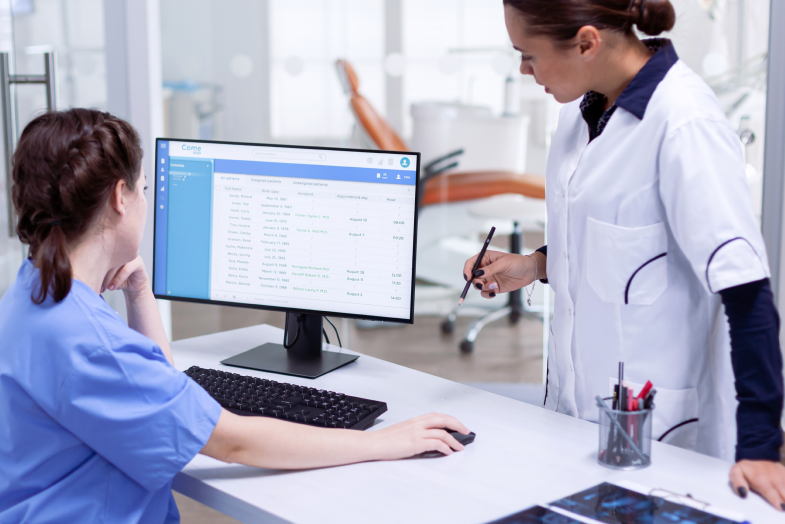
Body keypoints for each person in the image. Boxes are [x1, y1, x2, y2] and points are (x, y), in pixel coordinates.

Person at [0, 108, 469, 523]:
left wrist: (139, 293)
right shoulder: (95, 345)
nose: (145, 201)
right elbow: (232, 442)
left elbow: (157, 388)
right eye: (143, 190)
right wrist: (383, 442)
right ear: (120, 198)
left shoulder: (30, 296)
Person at [465, 0, 785, 511]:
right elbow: (619, 238)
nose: (524, 71)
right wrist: (535, 266)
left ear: (587, 43)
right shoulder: (581, 109)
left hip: (661, 435)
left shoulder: (684, 124)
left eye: (528, 55)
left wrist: (763, 448)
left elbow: (747, 295)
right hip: (571, 416)